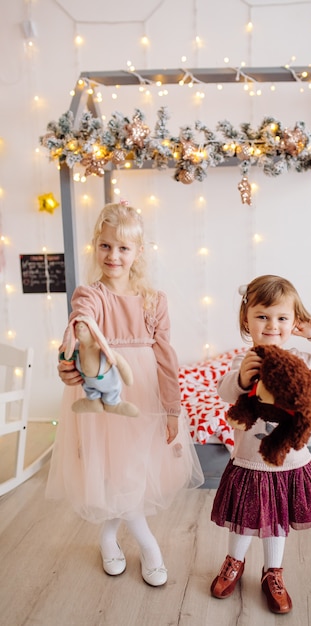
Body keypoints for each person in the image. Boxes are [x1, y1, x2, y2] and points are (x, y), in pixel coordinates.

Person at [46, 201, 203, 586]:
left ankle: (107, 535)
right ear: (95, 246)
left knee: (133, 468)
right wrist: (68, 361)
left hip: (145, 394)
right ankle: (148, 544)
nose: (113, 256)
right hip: (105, 398)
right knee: (115, 470)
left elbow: (165, 357)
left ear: (138, 252)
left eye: (123, 248)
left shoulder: (154, 300)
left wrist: (171, 408)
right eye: (105, 246)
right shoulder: (90, 294)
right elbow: (79, 324)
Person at [210, 274, 311, 614]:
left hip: (288, 462)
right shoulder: (245, 360)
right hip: (249, 461)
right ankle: (234, 562)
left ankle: (273, 572)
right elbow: (225, 392)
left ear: (294, 323)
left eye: (282, 318)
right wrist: (243, 378)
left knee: (276, 523)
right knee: (244, 519)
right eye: (262, 316)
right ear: (247, 319)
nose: (272, 325)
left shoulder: (303, 361)